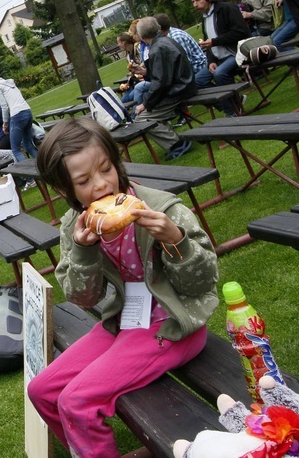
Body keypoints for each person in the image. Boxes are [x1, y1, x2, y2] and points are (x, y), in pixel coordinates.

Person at [27, 117, 219, 458]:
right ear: (64, 190)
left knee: (78, 401)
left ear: (116, 162)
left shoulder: (162, 209)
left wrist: (175, 241)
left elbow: (202, 284)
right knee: (42, 390)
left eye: (105, 169)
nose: (100, 185)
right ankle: (85, 448)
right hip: (125, 323)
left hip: (174, 325)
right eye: (84, 181)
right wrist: (85, 251)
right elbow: (83, 298)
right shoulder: (77, 224)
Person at [128, 17, 196, 160]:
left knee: (141, 120)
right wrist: (145, 72)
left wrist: (145, 104)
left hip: (177, 91)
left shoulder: (157, 48)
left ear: (141, 35)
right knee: (147, 115)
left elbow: (161, 84)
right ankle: (174, 141)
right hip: (182, 86)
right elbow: (164, 75)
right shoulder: (164, 41)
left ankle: (177, 143)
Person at [190, 0, 250, 117]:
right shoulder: (205, 17)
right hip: (219, 58)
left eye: (198, 0)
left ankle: (232, 112)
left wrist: (214, 41)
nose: (195, 5)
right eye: (193, 2)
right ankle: (235, 101)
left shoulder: (226, 9)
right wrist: (211, 60)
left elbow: (242, 32)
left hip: (237, 53)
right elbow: (209, 42)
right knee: (197, 81)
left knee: (219, 73)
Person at [0, 69, 37, 164]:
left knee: (15, 150)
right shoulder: (8, 83)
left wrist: (5, 123)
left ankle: (30, 176)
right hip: (27, 112)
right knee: (28, 146)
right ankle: (45, 166)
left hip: (17, 115)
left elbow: (4, 106)